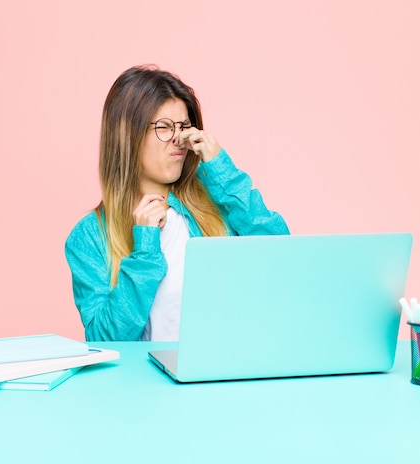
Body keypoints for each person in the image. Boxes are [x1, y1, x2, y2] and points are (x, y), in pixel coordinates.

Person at [65, 65, 289, 342]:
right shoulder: (89, 236)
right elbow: (104, 341)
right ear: (127, 136)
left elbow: (281, 256)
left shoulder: (216, 206)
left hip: (225, 376)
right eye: (163, 127)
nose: (178, 138)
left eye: (184, 126)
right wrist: (145, 249)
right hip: (144, 383)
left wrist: (223, 172)